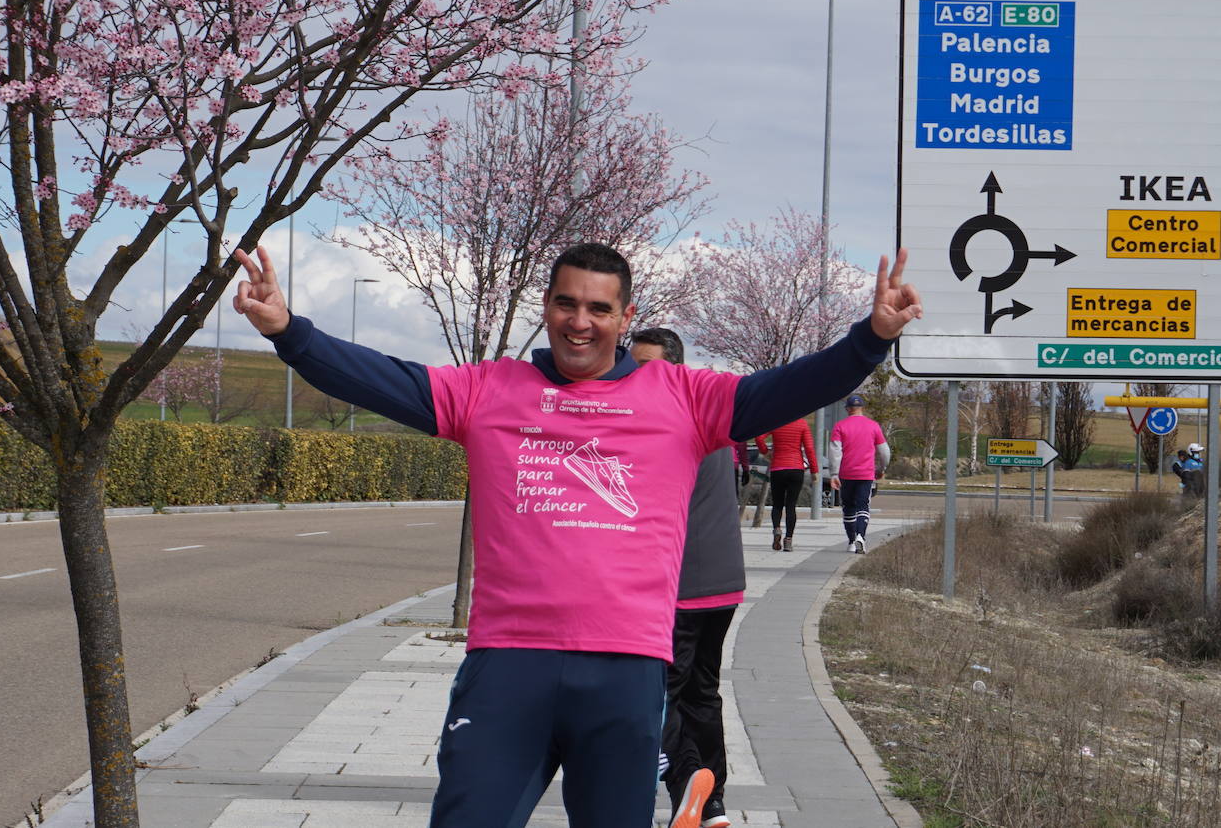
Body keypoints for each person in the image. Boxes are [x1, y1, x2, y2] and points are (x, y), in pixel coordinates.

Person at [233, 241, 921, 828]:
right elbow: (378, 379)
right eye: (567, 304)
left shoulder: (683, 397)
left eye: (599, 309)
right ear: (548, 308)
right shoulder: (486, 389)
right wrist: (288, 330)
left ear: (625, 318)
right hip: (508, 664)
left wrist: (870, 339)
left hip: (624, 671)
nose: (580, 322)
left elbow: (792, 387)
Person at [630, 327, 743, 828]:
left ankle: (685, 783)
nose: (635, 376)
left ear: (673, 366)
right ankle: (713, 805)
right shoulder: (707, 409)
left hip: (678, 585)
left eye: (645, 366)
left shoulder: (659, 417)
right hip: (724, 580)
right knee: (702, 694)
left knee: (655, 696)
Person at [829, 394, 890, 554]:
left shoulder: (840, 426)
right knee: (863, 506)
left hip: (846, 473)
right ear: (862, 408)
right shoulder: (874, 426)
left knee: (848, 507)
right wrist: (881, 468)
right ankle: (861, 536)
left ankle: (850, 541)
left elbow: (835, 451)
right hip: (866, 473)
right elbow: (884, 451)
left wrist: (834, 473)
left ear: (848, 409)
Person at [755, 416, 817, 552]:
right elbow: (809, 449)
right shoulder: (802, 424)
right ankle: (788, 540)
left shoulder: (776, 421)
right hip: (796, 469)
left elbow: (758, 438)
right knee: (791, 505)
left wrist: (766, 452)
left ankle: (777, 529)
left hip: (778, 468)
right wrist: (814, 470)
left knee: (777, 504)